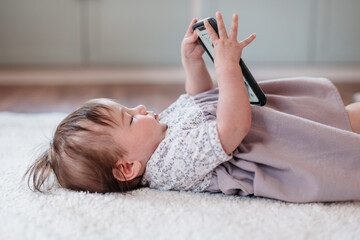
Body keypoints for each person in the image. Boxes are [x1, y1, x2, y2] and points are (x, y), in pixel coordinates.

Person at [24, 12, 360, 203]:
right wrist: (227, 65)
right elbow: (230, 129)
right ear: (127, 169)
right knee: (342, 131)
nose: (140, 108)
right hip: (278, 144)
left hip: (277, 122)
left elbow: (199, 101)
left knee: (337, 117)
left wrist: (192, 64)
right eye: (129, 118)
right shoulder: (170, 165)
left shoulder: (155, 135)